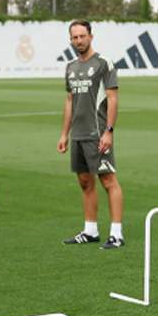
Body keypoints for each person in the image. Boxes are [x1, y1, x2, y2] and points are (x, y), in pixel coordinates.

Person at [57, 20, 125, 249]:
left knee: (108, 180)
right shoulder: (70, 67)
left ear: (91, 36)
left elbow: (113, 99)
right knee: (85, 182)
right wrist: (64, 134)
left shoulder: (104, 64)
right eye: (74, 37)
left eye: (82, 36)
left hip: (98, 133)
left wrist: (109, 131)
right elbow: (69, 101)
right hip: (78, 135)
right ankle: (90, 230)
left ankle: (116, 234)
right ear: (71, 40)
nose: (79, 41)